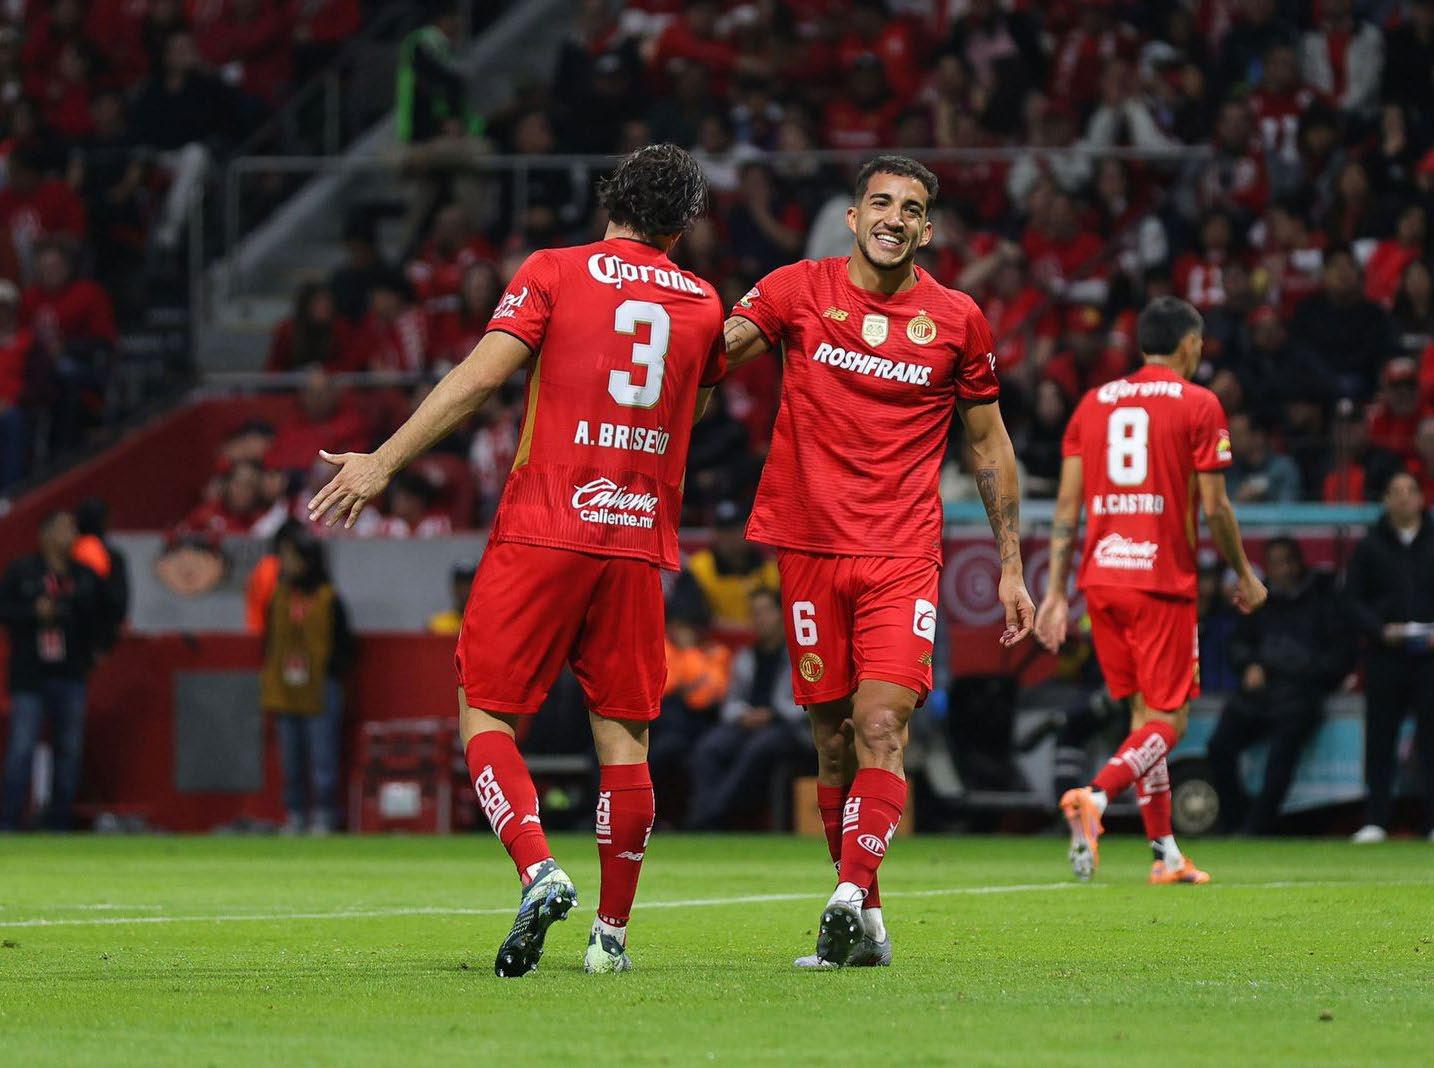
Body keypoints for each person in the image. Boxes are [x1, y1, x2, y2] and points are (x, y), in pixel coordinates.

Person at [307, 145, 724, 976]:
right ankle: (611, 937)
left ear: (611, 199)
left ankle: (538, 868)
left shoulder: (555, 270)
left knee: (486, 712)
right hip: (636, 535)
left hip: (546, 522)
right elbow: (694, 407)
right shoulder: (705, 302)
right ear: (681, 228)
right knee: (625, 736)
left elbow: (478, 381)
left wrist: (382, 463)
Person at [723, 155, 1034, 968]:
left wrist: (1010, 564)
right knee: (831, 743)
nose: (895, 218)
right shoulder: (796, 289)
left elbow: (989, 444)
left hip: (900, 552)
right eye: (881, 202)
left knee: (881, 724)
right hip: (808, 548)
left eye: (912, 208)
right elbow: (715, 356)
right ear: (854, 217)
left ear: (927, 229)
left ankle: (845, 893)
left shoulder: (958, 318)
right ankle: (867, 924)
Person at [1034, 296, 1267, 885]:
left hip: (1102, 580)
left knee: (1144, 718)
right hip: (1159, 581)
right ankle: (1095, 795)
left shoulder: (1092, 403)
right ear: (1189, 344)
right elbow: (1215, 507)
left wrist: (1056, 593)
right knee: (1172, 722)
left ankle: (1165, 854)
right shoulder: (1199, 403)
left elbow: (1065, 509)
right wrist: (1244, 573)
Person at [1209, 538, 1348, 834]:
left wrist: (1301, 671)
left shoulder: (1323, 601)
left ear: (1299, 563)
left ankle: (1257, 828)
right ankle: (1234, 819)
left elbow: (1339, 658)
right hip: (1258, 695)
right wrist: (1248, 664)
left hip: (1301, 696)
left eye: (1287, 562)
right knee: (1218, 746)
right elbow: (1237, 643)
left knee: (1281, 757)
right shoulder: (1260, 601)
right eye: (1275, 563)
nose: (1283, 569)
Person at [0, 510, 107, 830]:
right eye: (64, 528)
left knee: (69, 750)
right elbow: (4, 610)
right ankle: (8, 821)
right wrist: (33, 612)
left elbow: (104, 614)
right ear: (45, 535)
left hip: (70, 671)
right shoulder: (23, 571)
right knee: (22, 747)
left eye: (73, 529)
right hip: (30, 672)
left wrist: (96, 650)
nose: (71, 535)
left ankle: (59, 822)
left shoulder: (84, 576)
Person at [1343, 472, 1434, 843]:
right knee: (1380, 738)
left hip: (1429, 657)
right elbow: (1351, 601)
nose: (1403, 498)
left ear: (1421, 498)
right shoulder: (1370, 546)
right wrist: (1380, 630)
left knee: (1431, 739)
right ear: (1385, 500)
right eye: (1395, 492)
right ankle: (1376, 820)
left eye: (1410, 491)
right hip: (1386, 655)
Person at [686, 588, 804, 829]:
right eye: (754, 613)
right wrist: (743, 715)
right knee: (709, 748)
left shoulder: (798, 654)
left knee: (757, 749)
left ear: (782, 615)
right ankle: (707, 813)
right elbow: (730, 703)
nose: (759, 619)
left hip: (786, 727)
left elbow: (807, 704)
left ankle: (711, 816)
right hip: (746, 723)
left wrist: (773, 714)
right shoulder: (745, 656)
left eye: (765, 611)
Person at [260, 531, 352, 836]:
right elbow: (269, 641)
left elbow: (345, 646)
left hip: (321, 688)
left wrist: (327, 671)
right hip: (285, 688)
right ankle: (296, 814)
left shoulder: (329, 598)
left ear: (308, 560)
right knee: (291, 760)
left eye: (291, 557)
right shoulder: (278, 596)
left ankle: (325, 815)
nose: (284, 563)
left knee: (323, 759)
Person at [685, 500, 779, 629]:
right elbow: (687, 615)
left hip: (764, 639)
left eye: (736, 530)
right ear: (715, 534)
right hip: (716, 640)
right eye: (724, 531)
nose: (731, 538)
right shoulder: (699, 568)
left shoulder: (770, 569)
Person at [427, 561, 476, 636]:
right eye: (460, 584)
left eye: (469, 584)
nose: (465, 590)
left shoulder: (486, 623)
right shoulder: (436, 625)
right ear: (453, 587)